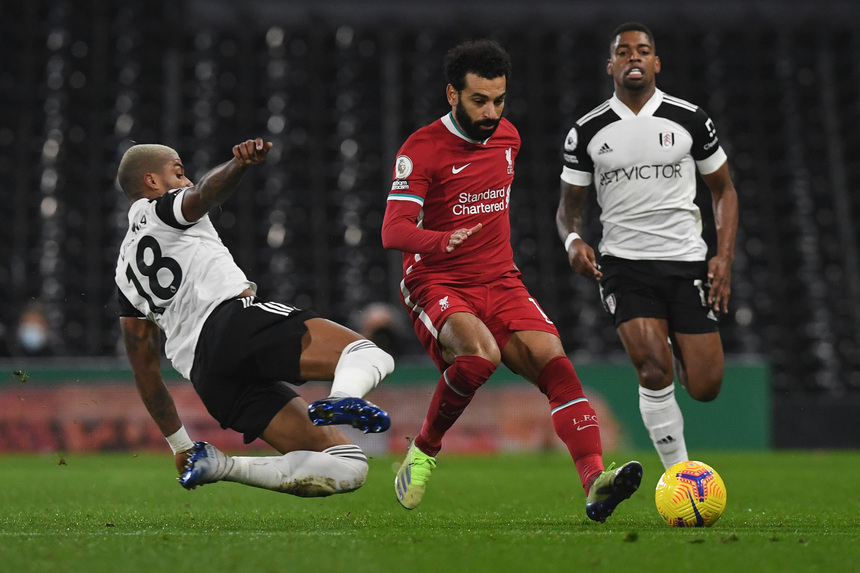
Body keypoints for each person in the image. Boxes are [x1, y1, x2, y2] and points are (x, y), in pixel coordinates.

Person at [382, 39, 641, 522]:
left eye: (499, 100)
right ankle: (421, 454)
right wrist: (442, 240)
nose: (491, 112)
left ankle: (595, 482)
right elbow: (392, 230)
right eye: (479, 100)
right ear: (451, 95)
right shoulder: (421, 149)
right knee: (481, 356)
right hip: (437, 279)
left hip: (500, 280)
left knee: (556, 365)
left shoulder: (508, 139)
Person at [115, 138, 394, 497]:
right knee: (369, 355)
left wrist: (180, 444)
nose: (186, 180)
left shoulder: (124, 273)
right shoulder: (160, 209)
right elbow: (203, 194)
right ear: (152, 181)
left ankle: (222, 465)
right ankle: (342, 397)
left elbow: (146, 372)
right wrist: (238, 166)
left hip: (207, 375)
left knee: (348, 465)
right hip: (233, 323)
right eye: (179, 172)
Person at [556, 22, 739, 470]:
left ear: (656, 62)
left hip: (687, 262)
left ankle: (675, 341)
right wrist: (574, 240)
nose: (633, 57)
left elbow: (724, 191)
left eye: (642, 51)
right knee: (652, 370)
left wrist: (724, 256)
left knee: (705, 386)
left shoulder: (691, 120)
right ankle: (681, 477)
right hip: (625, 264)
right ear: (610, 65)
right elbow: (567, 211)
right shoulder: (587, 131)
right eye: (623, 51)